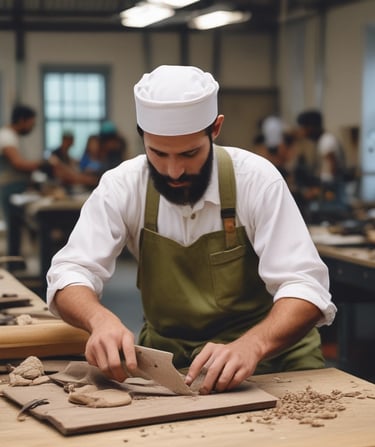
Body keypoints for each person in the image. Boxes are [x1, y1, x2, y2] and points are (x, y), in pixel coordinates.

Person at [46, 65, 336, 395]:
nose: (173, 170)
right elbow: (70, 271)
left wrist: (252, 345)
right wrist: (99, 320)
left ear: (215, 128)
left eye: (189, 153)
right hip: (172, 366)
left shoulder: (256, 180)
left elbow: (306, 286)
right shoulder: (123, 186)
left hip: (273, 363)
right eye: (157, 153)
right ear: (142, 135)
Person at [0, 104, 53, 266]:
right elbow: (18, 163)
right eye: (31, 123)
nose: (32, 127)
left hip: (16, 187)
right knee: (14, 231)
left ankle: (16, 264)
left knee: (18, 230)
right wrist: (43, 164)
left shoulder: (13, 137)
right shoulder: (7, 137)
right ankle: (14, 266)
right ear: (22, 120)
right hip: (10, 189)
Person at [293, 109, 349, 221]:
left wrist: (320, 190)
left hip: (333, 191)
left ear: (311, 127)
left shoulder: (327, 141)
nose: (302, 132)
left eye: (303, 128)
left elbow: (331, 168)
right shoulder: (323, 140)